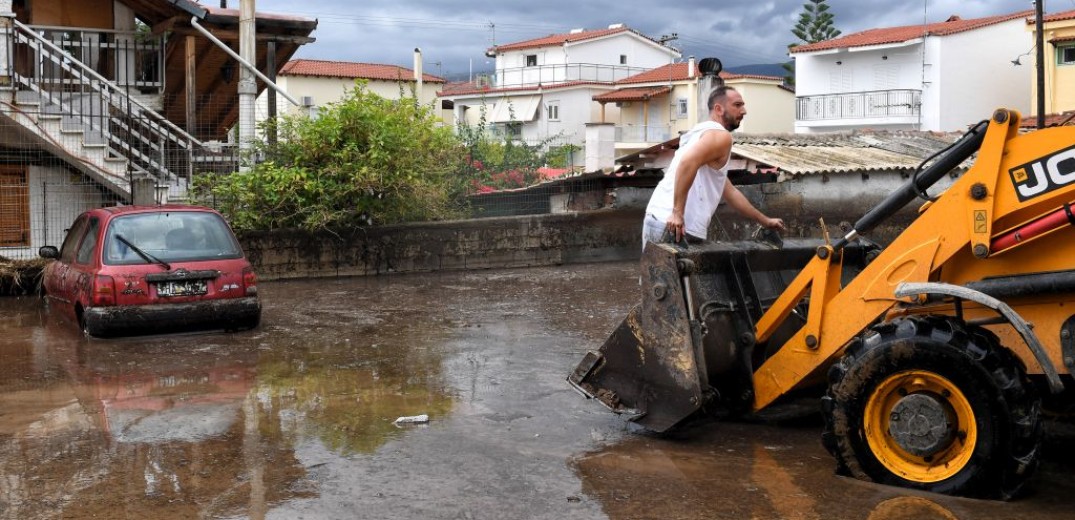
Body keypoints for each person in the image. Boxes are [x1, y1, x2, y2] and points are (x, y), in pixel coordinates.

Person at [643, 85, 785, 250]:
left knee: (653, 275)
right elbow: (687, 163)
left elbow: (730, 192)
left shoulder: (699, 133)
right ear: (719, 109)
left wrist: (764, 221)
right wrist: (677, 213)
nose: (744, 111)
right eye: (738, 105)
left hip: (658, 218)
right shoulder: (720, 136)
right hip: (673, 225)